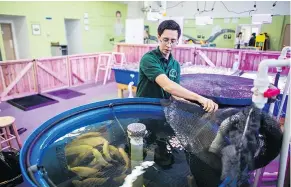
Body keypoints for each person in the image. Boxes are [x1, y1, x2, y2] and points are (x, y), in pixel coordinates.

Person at [136, 20, 218, 113]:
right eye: (166, 40)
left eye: (173, 41)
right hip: (145, 108)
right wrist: (199, 98)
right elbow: (168, 86)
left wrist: (194, 105)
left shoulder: (175, 65)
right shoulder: (149, 59)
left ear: (177, 41)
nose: (169, 45)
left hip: (164, 110)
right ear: (159, 37)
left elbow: (174, 94)